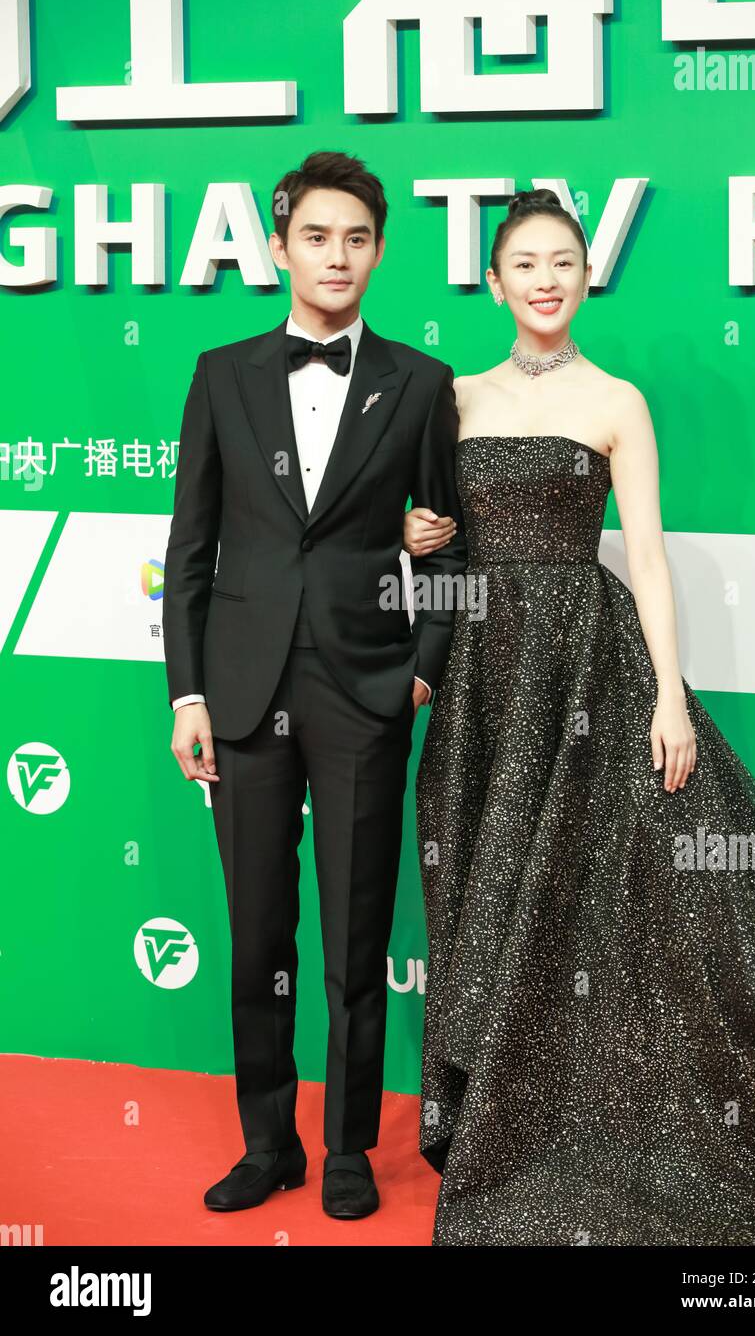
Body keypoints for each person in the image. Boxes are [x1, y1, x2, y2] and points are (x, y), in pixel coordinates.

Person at [403, 187, 755, 1246]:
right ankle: (480, 1105)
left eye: (562, 260)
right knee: (480, 879)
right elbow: (424, 535)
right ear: (493, 281)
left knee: (586, 902)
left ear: (583, 273)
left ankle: (560, 1118)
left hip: (585, 665)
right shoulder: (451, 398)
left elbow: (646, 555)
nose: (545, 279)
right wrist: (416, 534)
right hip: (480, 670)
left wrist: (668, 691)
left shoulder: (615, 399)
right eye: (524, 262)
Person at [162, 151, 467, 1218]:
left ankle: (343, 1148)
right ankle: (267, 1141)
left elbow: (449, 547)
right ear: (282, 247)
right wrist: (186, 695)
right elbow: (188, 551)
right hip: (239, 691)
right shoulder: (220, 373)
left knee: (351, 938)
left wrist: (420, 675)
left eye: (356, 239)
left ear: (378, 252)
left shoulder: (420, 384)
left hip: (363, 687)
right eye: (316, 237)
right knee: (257, 934)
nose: (336, 257)